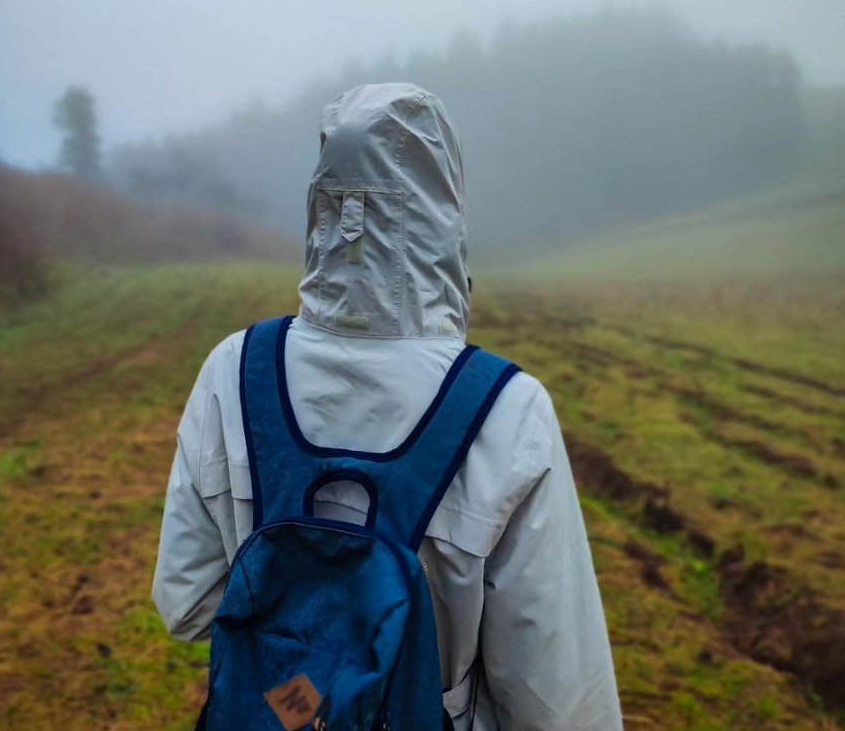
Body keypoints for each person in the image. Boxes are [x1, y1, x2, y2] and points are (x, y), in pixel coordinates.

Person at [153, 82, 623, 731]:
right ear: (445, 216)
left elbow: (187, 604)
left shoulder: (232, 371)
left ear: (320, 209)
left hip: (277, 715)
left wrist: (309, 682)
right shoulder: (507, 411)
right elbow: (557, 700)